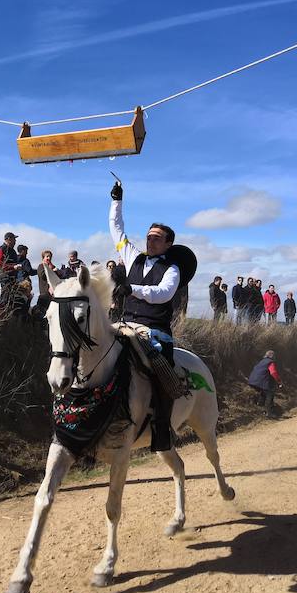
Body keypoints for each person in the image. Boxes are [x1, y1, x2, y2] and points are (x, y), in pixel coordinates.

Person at [109, 180, 194, 452]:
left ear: (168, 243)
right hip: (124, 324)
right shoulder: (132, 254)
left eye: (157, 237)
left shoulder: (173, 269)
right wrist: (117, 200)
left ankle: (161, 429)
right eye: (149, 235)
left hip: (154, 330)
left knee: (162, 373)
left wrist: (131, 288)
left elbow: (163, 294)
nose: (150, 239)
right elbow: (116, 229)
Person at [247, 350, 284, 418]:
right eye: (274, 356)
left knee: (264, 393)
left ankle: (261, 408)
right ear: (272, 356)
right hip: (261, 381)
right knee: (270, 393)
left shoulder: (262, 361)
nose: (275, 357)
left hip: (252, 381)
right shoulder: (270, 362)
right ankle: (269, 413)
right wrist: (279, 381)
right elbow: (273, 372)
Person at [35, 249, 56, 316]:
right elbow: (43, 276)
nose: (48, 258)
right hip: (44, 294)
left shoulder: (53, 266)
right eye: (47, 256)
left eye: (50, 257)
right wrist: (50, 269)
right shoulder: (41, 266)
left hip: (53, 295)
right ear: (43, 257)